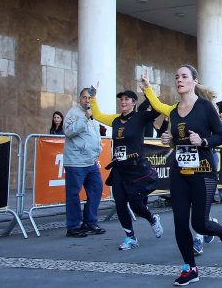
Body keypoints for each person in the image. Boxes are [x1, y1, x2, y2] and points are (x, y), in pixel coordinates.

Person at [143, 66, 222, 286]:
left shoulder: (205, 107)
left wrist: (203, 142)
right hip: (180, 172)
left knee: (200, 224)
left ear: (194, 81)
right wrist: (169, 140)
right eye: (176, 77)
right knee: (179, 222)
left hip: (203, 171)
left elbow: (221, 137)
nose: (179, 80)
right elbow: (177, 140)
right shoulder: (174, 111)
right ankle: (190, 268)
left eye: (184, 77)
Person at [88, 89, 163, 250]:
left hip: (137, 168)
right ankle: (130, 237)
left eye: (127, 99)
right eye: (121, 99)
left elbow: (158, 110)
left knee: (136, 204)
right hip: (119, 168)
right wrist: (93, 99)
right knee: (120, 204)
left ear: (134, 102)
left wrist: (150, 93)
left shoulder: (140, 117)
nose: (123, 102)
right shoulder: (115, 120)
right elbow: (99, 116)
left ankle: (152, 219)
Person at [63, 87, 105, 238]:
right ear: (79, 98)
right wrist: (85, 117)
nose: (87, 100)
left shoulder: (92, 112)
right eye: (84, 97)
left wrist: (98, 148)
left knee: (97, 189)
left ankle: (90, 221)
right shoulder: (73, 113)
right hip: (76, 161)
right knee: (74, 194)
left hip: (90, 161)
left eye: (89, 97)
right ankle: (73, 226)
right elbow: (68, 131)